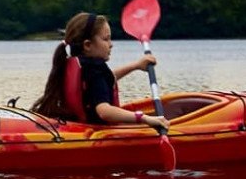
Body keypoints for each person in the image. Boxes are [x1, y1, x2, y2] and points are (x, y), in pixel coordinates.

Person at [32, 12, 170, 128]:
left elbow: (105, 80)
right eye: (106, 39)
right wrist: (145, 119)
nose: (111, 45)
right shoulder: (95, 70)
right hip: (99, 130)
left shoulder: (76, 64)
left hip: (80, 125)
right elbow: (104, 111)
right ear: (87, 45)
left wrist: (135, 66)